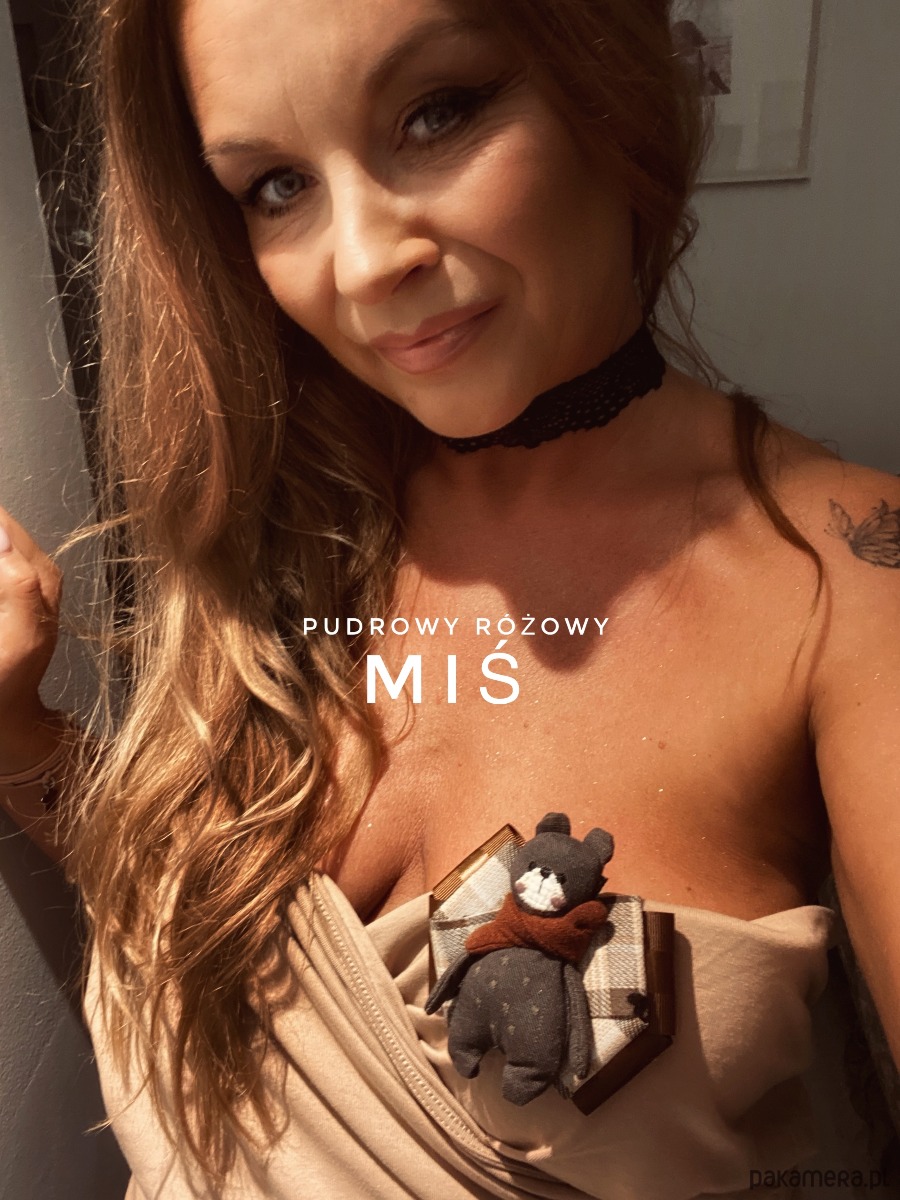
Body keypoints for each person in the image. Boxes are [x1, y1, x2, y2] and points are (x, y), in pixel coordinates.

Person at [1, 0, 899, 1196]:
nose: (365, 261)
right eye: (277, 185)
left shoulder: (850, 585)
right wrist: (17, 726)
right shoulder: (282, 522)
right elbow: (190, 905)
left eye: (439, 112)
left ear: (611, 73)